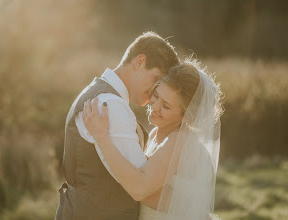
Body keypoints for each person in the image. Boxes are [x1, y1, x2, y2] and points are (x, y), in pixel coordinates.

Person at [55, 31, 179, 220]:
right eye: (156, 79)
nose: (156, 90)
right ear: (140, 61)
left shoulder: (101, 95)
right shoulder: (109, 105)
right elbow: (143, 187)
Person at [82, 62, 223, 219]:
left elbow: (139, 189)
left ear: (186, 117)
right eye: (156, 95)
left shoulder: (180, 141)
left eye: (166, 106)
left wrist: (101, 137)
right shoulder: (156, 133)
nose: (155, 106)